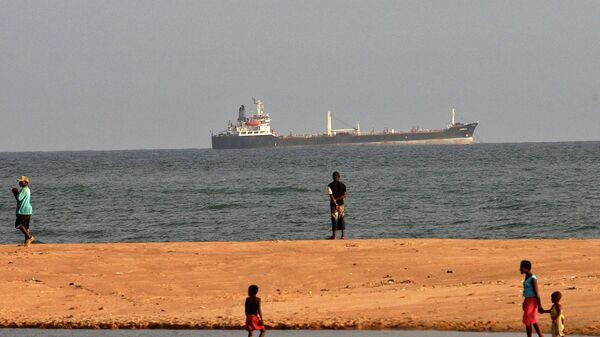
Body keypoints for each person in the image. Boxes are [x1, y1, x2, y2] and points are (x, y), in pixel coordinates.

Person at [520, 260, 544, 337]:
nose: (520, 269)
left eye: (521, 267)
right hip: (528, 300)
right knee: (531, 320)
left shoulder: (533, 278)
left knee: (530, 320)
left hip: (532, 301)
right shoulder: (527, 277)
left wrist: (540, 305)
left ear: (526, 268)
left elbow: (537, 293)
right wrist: (525, 301)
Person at [12, 175, 34, 246]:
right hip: (28, 210)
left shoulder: (24, 190)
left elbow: (19, 198)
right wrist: (17, 192)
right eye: (19, 181)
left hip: (23, 210)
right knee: (26, 226)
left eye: (21, 182)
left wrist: (15, 192)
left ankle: (29, 237)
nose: (19, 183)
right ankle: (26, 243)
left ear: (25, 182)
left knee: (18, 225)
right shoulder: (28, 189)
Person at [327, 171, 347, 240]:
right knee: (342, 219)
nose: (335, 178)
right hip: (341, 204)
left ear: (332, 177)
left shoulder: (330, 185)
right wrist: (338, 201)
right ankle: (343, 236)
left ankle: (334, 236)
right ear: (339, 177)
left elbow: (331, 196)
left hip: (333, 205)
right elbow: (345, 195)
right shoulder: (343, 185)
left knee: (334, 220)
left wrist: (335, 202)